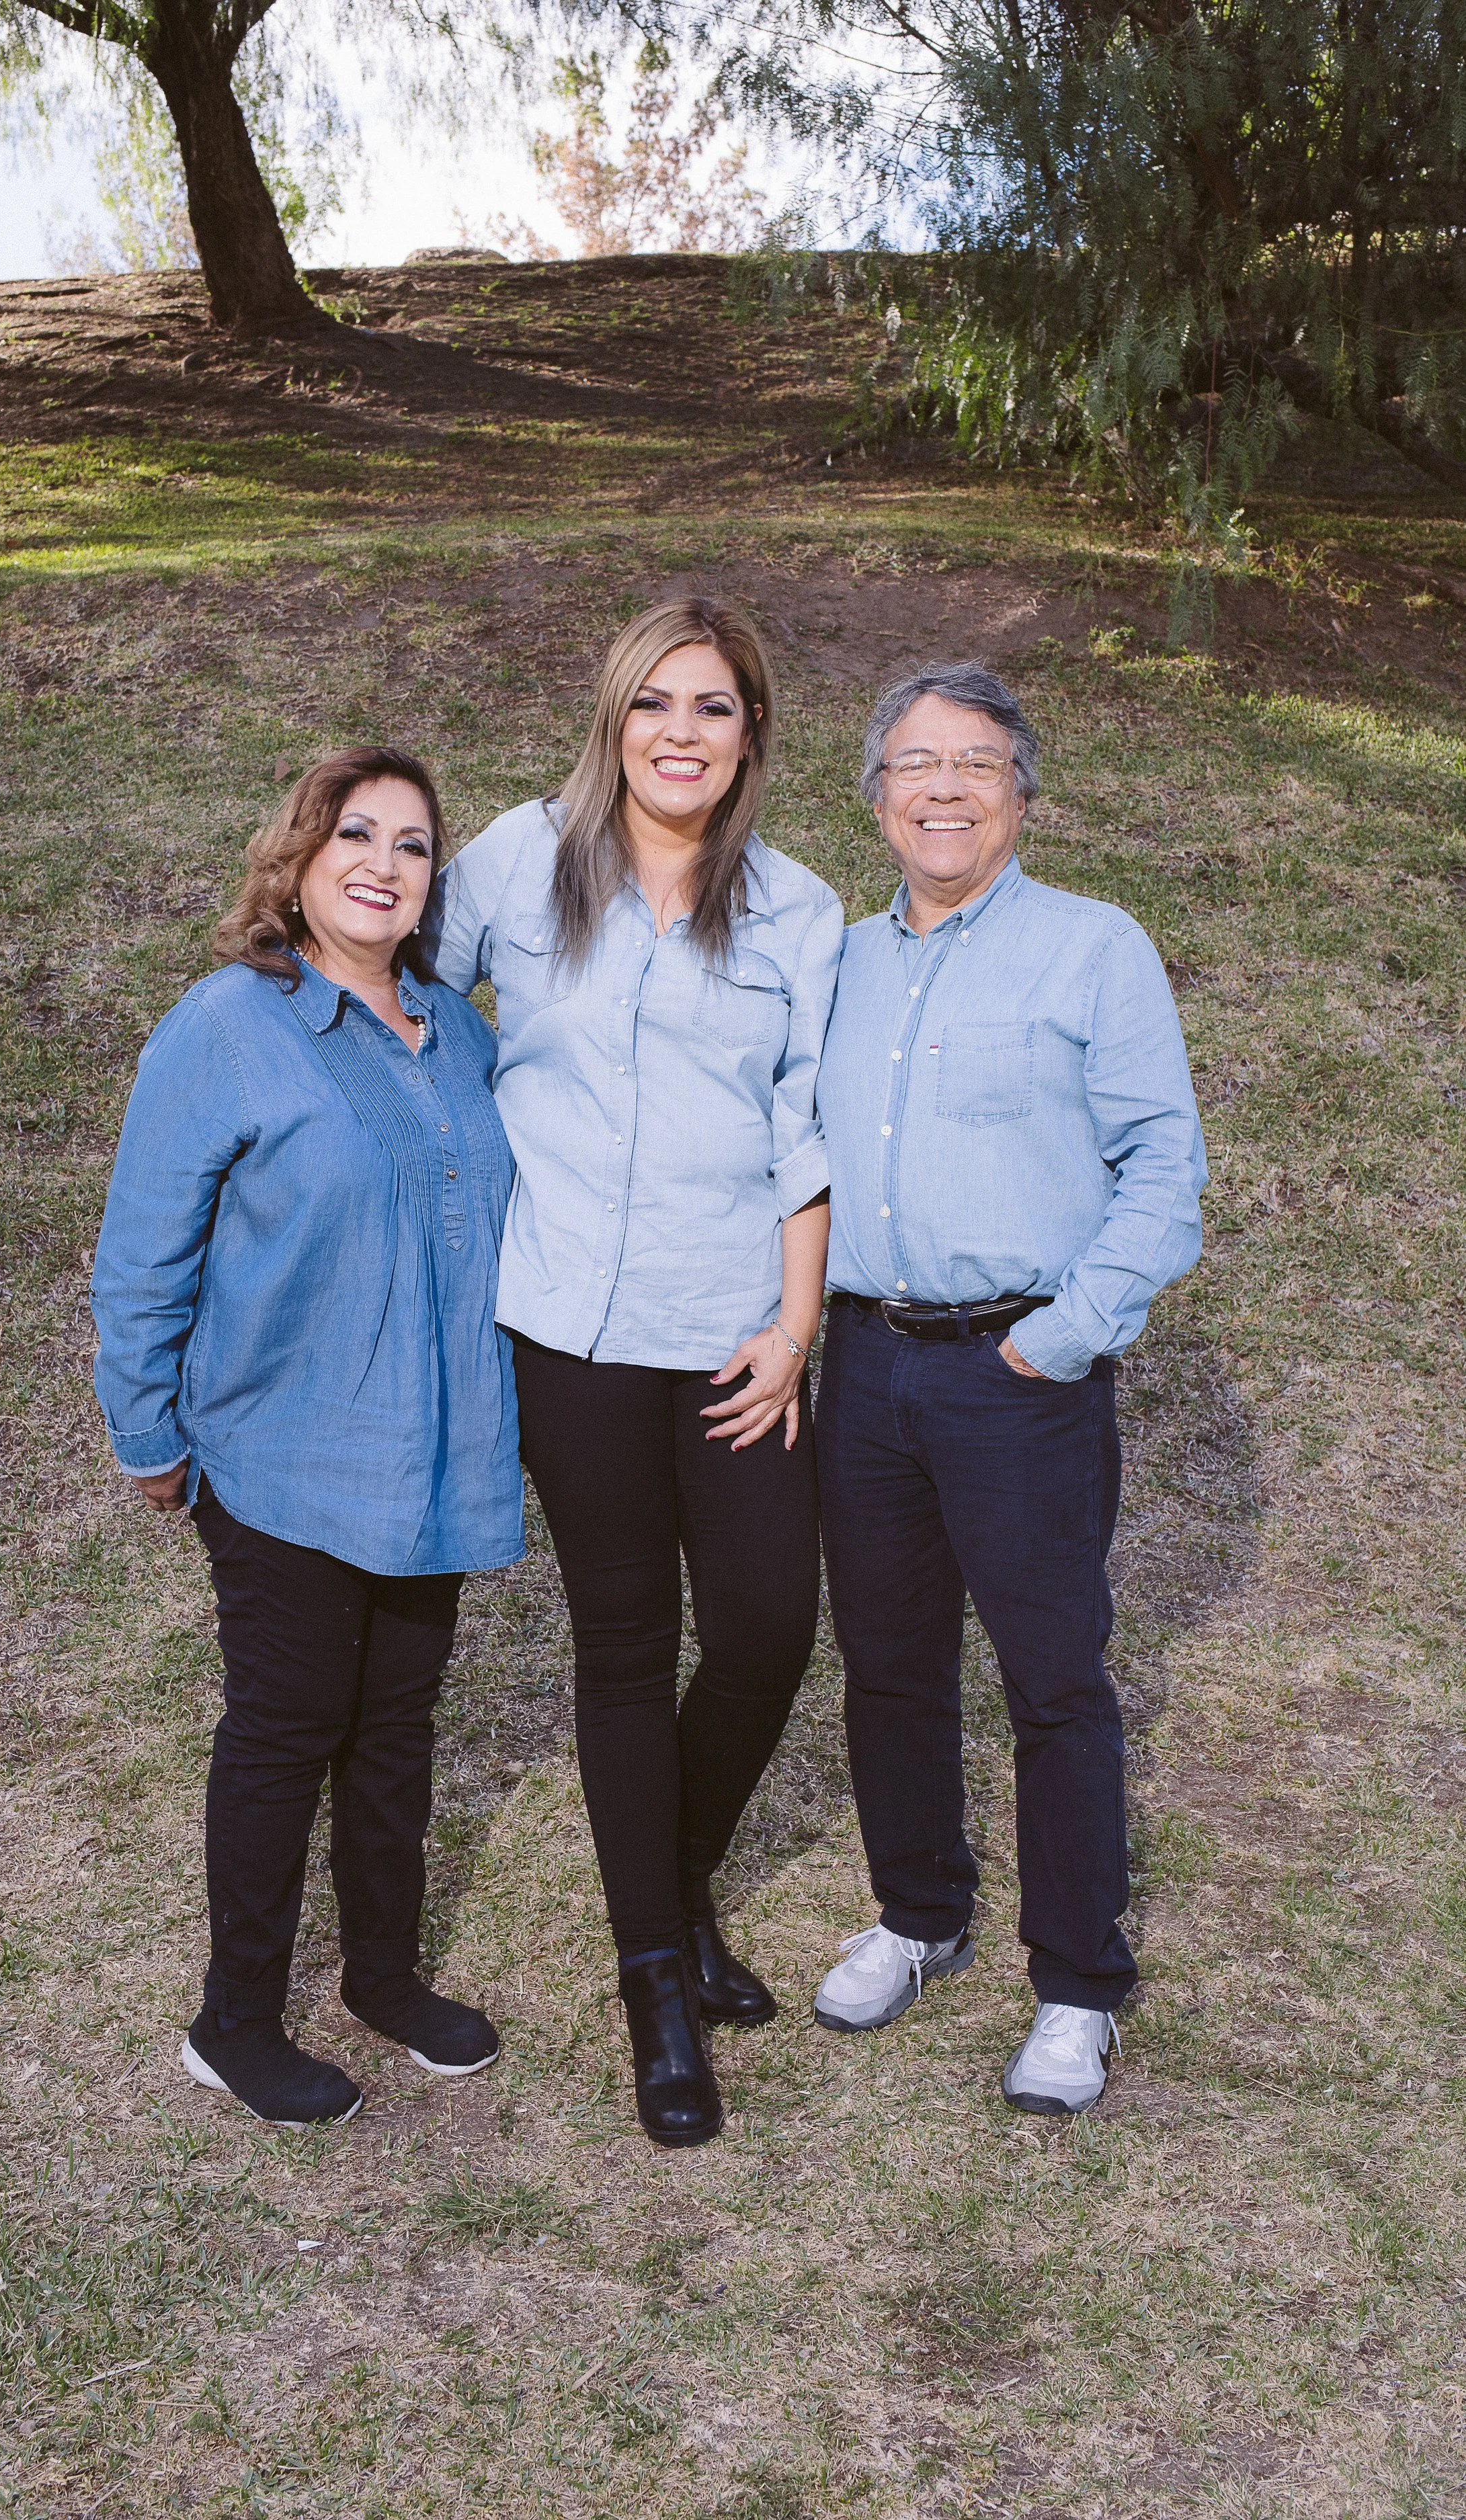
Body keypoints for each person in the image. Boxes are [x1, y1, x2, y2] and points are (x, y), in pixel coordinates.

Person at [435, 597, 844, 2149]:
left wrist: (795, 1323)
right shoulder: (516, 860)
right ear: (613, 717)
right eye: (655, 703)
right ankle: (656, 1984)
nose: (681, 732)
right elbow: (402, 987)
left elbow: (803, 1130)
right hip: (567, 1331)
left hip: (732, 1326)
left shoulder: (797, 913)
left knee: (761, 1633)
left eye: (715, 708)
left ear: (750, 736)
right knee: (623, 1646)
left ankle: (666, 1885)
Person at [91, 747, 523, 2128]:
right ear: (299, 855)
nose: (383, 864)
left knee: (397, 1729)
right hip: (279, 1456)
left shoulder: (458, 1031)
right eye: (357, 834)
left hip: (435, 1461)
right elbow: (142, 1253)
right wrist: (144, 1433)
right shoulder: (228, 1024)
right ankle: (233, 2023)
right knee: (287, 1730)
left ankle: (383, 1981)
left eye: (411, 845)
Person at [811, 661, 1207, 2114]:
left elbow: (1163, 1170)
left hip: (1017, 1371)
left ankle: (1072, 1984)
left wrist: (1066, 1330)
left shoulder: (1091, 950)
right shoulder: (836, 961)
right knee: (888, 1666)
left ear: (1019, 795)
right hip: (860, 1368)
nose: (941, 786)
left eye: (973, 762)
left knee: (1052, 1682)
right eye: (912, 761)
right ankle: (917, 1916)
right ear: (874, 802)